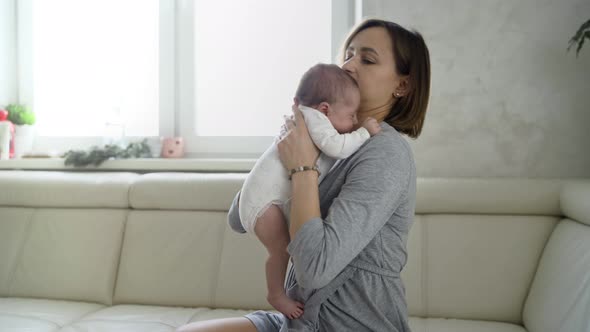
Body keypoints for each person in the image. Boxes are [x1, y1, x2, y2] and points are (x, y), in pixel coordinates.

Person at [177, 18, 431, 332]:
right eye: (348, 55)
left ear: (402, 85)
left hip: (348, 324)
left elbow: (313, 269)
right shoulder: (328, 140)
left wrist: (302, 168)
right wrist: (285, 146)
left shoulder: (385, 153)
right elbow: (237, 217)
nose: (350, 66)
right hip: (298, 320)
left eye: (367, 59)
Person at [238, 63, 381, 320]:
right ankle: (276, 294)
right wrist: (364, 132)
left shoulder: (306, 115)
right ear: (325, 108)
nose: (353, 121)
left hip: (262, 197)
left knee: (285, 246)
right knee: (281, 249)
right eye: (351, 115)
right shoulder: (315, 118)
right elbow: (336, 147)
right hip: (263, 204)